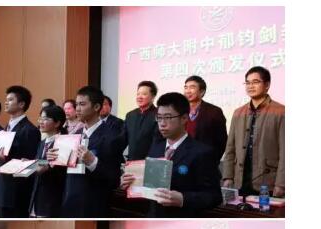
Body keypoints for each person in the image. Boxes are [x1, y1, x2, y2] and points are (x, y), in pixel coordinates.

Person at [122, 92, 223, 217]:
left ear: (184, 118)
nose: (162, 123)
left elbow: (215, 196)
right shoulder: (156, 148)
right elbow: (150, 186)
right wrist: (131, 183)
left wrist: (183, 199)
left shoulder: (202, 152)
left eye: (168, 117)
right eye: (159, 117)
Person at [55, 85, 120, 218]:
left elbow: (114, 177)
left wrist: (93, 162)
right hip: (69, 201)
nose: (77, 109)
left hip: (92, 205)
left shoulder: (111, 136)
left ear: (96, 107)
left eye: (82, 104)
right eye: (77, 104)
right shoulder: (74, 135)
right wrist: (55, 159)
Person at [222, 66, 285, 198]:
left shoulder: (281, 111)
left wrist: (281, 183)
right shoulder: (238, 112)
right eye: (248, 83)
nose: (250, 86)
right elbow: (230, 148)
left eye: (255, 82)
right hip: (240, 181)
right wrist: (228, 176)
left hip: (268, 182)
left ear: (267, 85)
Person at [0, 85, 41, 217]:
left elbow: (30, 164)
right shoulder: (6, 128)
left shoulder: (30, 130)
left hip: (16, 192)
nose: (6, 102)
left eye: (10, 99)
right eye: (6, 99)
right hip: (1, 188)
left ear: (21, 104)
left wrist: (6, 158)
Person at [28, 104, 68, 218]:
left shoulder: (64, 143)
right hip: (36, 199)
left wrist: (48, 167)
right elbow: (40, 165)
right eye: (40, 118)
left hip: (53, 199)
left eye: (45, 119)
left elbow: (64, 173)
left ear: (57, 123)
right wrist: (29, 164)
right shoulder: (42, 143)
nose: (41, 122)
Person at [183, 75, 227, 160]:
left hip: (205, 160)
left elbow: (222, 141)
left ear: (202, 92)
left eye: (192, 87)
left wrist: (213, 160)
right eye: (186, 87)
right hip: (181, 160)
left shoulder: (214, 111)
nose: (188, 91)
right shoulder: (179, 111)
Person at [124, 80, 158, 160]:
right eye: (138, 94)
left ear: (153, 97)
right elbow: (123, 139)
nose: (139, 97)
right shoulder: (130, 115)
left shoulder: (159, 114)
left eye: (144, 94)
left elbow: (158, 142)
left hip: (151, 161)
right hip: (132, 161)